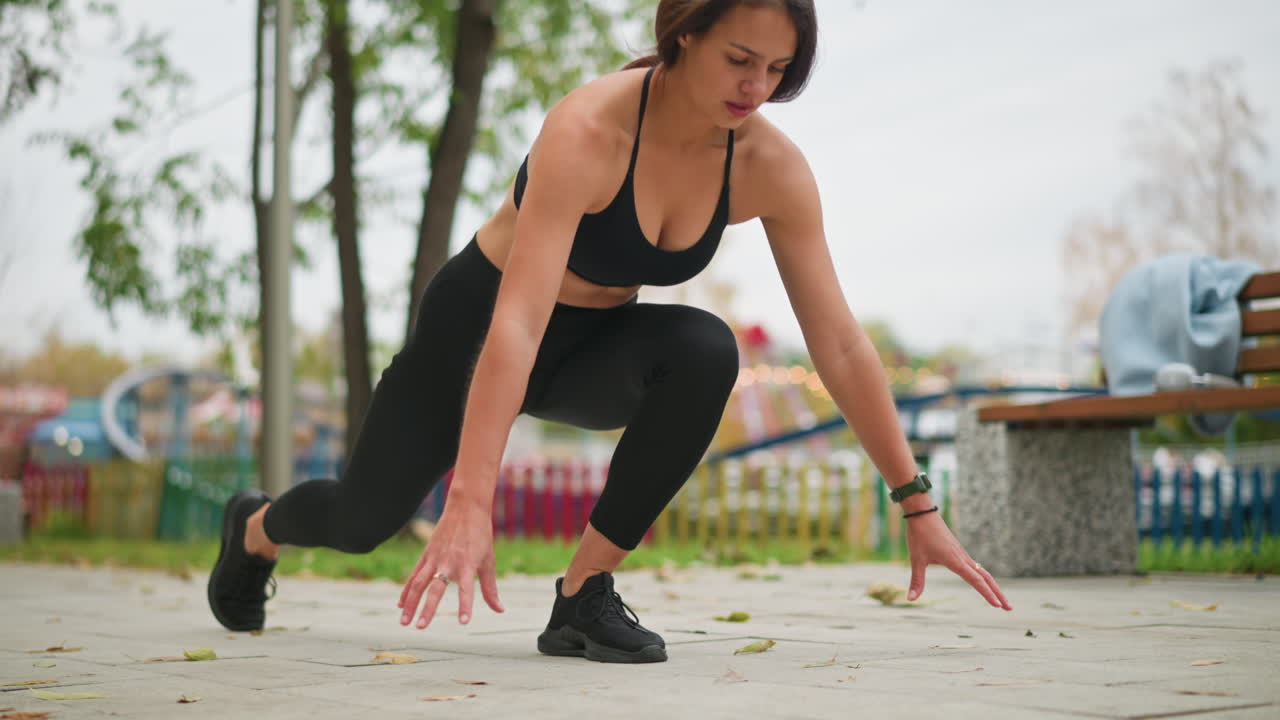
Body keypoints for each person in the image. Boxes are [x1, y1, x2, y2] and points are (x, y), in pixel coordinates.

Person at [208, 0, 1012, 665]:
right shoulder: (588, 131)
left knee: (704, 350)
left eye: (776, 70)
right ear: (684, 31)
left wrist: (916, 504)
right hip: (477, 325)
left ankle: (581, 596)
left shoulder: (769, 165)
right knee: (359, 523)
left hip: (592, 344)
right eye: (739, 58)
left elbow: (839, 343)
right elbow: (516, 321)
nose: (755, 87)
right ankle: (255, 526)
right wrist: (470, 499)